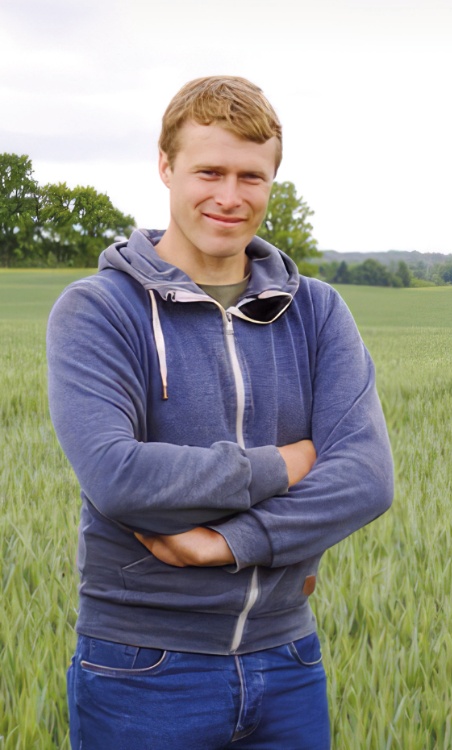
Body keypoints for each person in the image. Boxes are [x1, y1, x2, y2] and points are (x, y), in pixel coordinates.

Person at [47, 76, 394, 749]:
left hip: (290, 661)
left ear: (272, 181)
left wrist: (223, 544)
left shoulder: (317, 311)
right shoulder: (99, 310)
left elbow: (367, 478)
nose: (230, 197)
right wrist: (285, 463)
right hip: (143, 669)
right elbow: (120, 477)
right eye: (209, 171)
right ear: (165, 167)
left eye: (251, 176)